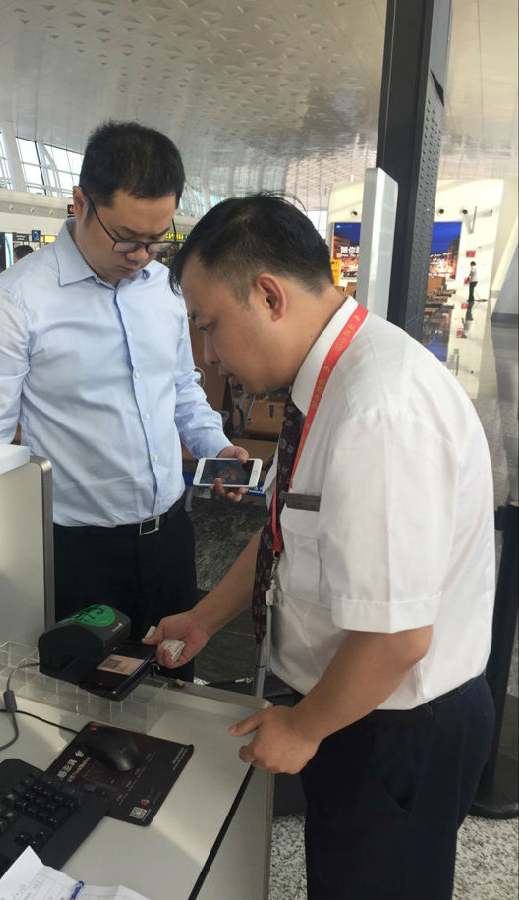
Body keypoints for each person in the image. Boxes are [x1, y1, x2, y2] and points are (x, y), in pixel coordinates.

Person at [144, 194, 495, 900]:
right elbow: (283, 531)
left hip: (393, 725)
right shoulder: (329, 381)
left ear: (268, 295)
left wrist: (304, 728)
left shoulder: (378, 411)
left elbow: (397, 637)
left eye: (209, 326)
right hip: (353, 705)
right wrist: (204, 619)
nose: (208, 355)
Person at [0, 121, 247, 677]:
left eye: (157, 239)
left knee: (174, 684)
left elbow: (180, 388)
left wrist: (217, 446)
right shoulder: (17, 302)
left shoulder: (164, 290)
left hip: (170, 537)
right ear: (81, 203)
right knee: (82, 700)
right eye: (127, 237)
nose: (141, 255)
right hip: (78, 552)